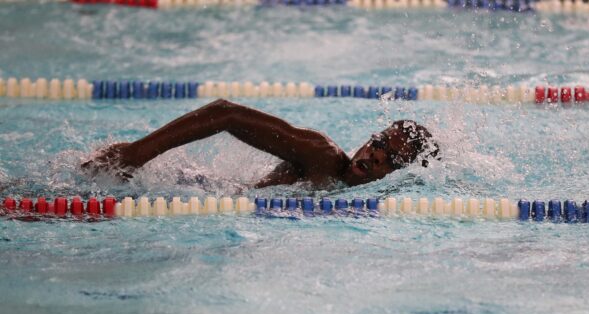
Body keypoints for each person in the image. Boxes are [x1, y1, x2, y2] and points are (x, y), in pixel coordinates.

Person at [82, 99, 440, 188]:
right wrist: (137, 153)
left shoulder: (382, 197)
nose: (375, 154)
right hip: (196, 192)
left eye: (391, 157)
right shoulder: (322, 156)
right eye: (378, 142)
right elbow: (227, 114)